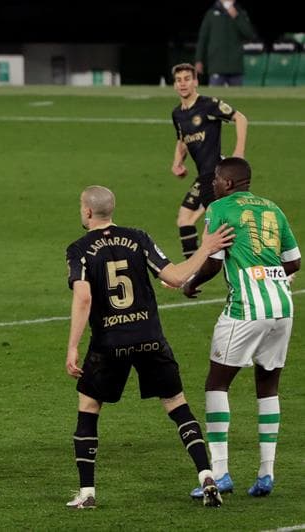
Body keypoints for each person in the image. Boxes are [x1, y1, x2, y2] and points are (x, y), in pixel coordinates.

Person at [64, 185, 235, 509]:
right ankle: (206, 474)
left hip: (109, 343)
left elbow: (83, 297)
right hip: (150, 338)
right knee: (177, 405)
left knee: (89, 408)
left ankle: (87, 493)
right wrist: (205, 247)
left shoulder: (79, 249)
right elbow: (175, 278)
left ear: (87, 212)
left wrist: (73, 346)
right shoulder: (138, 238)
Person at [183, 158, 300, 499]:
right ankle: (266, 473)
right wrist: (266, 271)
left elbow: (213, 261)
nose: (213, 185)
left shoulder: (219, 208)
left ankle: (219, 473)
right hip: (282, 306)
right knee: (268, 386)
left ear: (229, 184)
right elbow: (294, 261)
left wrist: (190, 283)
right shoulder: (273, 208)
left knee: (216, 383)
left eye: (217, 179)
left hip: (246, 309)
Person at [170, 63, 248, 259]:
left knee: (217, 234)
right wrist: (177, 162)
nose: (183, 84)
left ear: (195, 81)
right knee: (185, 220)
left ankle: (268, 263)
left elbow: (240, 118)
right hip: (203, 177)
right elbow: (182, 140)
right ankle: (192, 273)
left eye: (187, 79)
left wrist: (239, 151)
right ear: (174, 85)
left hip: (216, 176)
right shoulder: (177, 114)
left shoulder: (208, 105)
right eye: (179, 80)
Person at [195, 0, 256, 87]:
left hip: (235, 66)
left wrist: (237, 17)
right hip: (216, 65)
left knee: (236, 98)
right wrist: (199, 60)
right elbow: (203, 39)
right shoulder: (211, 14)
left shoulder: (240, 13)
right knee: (215, 98)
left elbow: (250, 35)